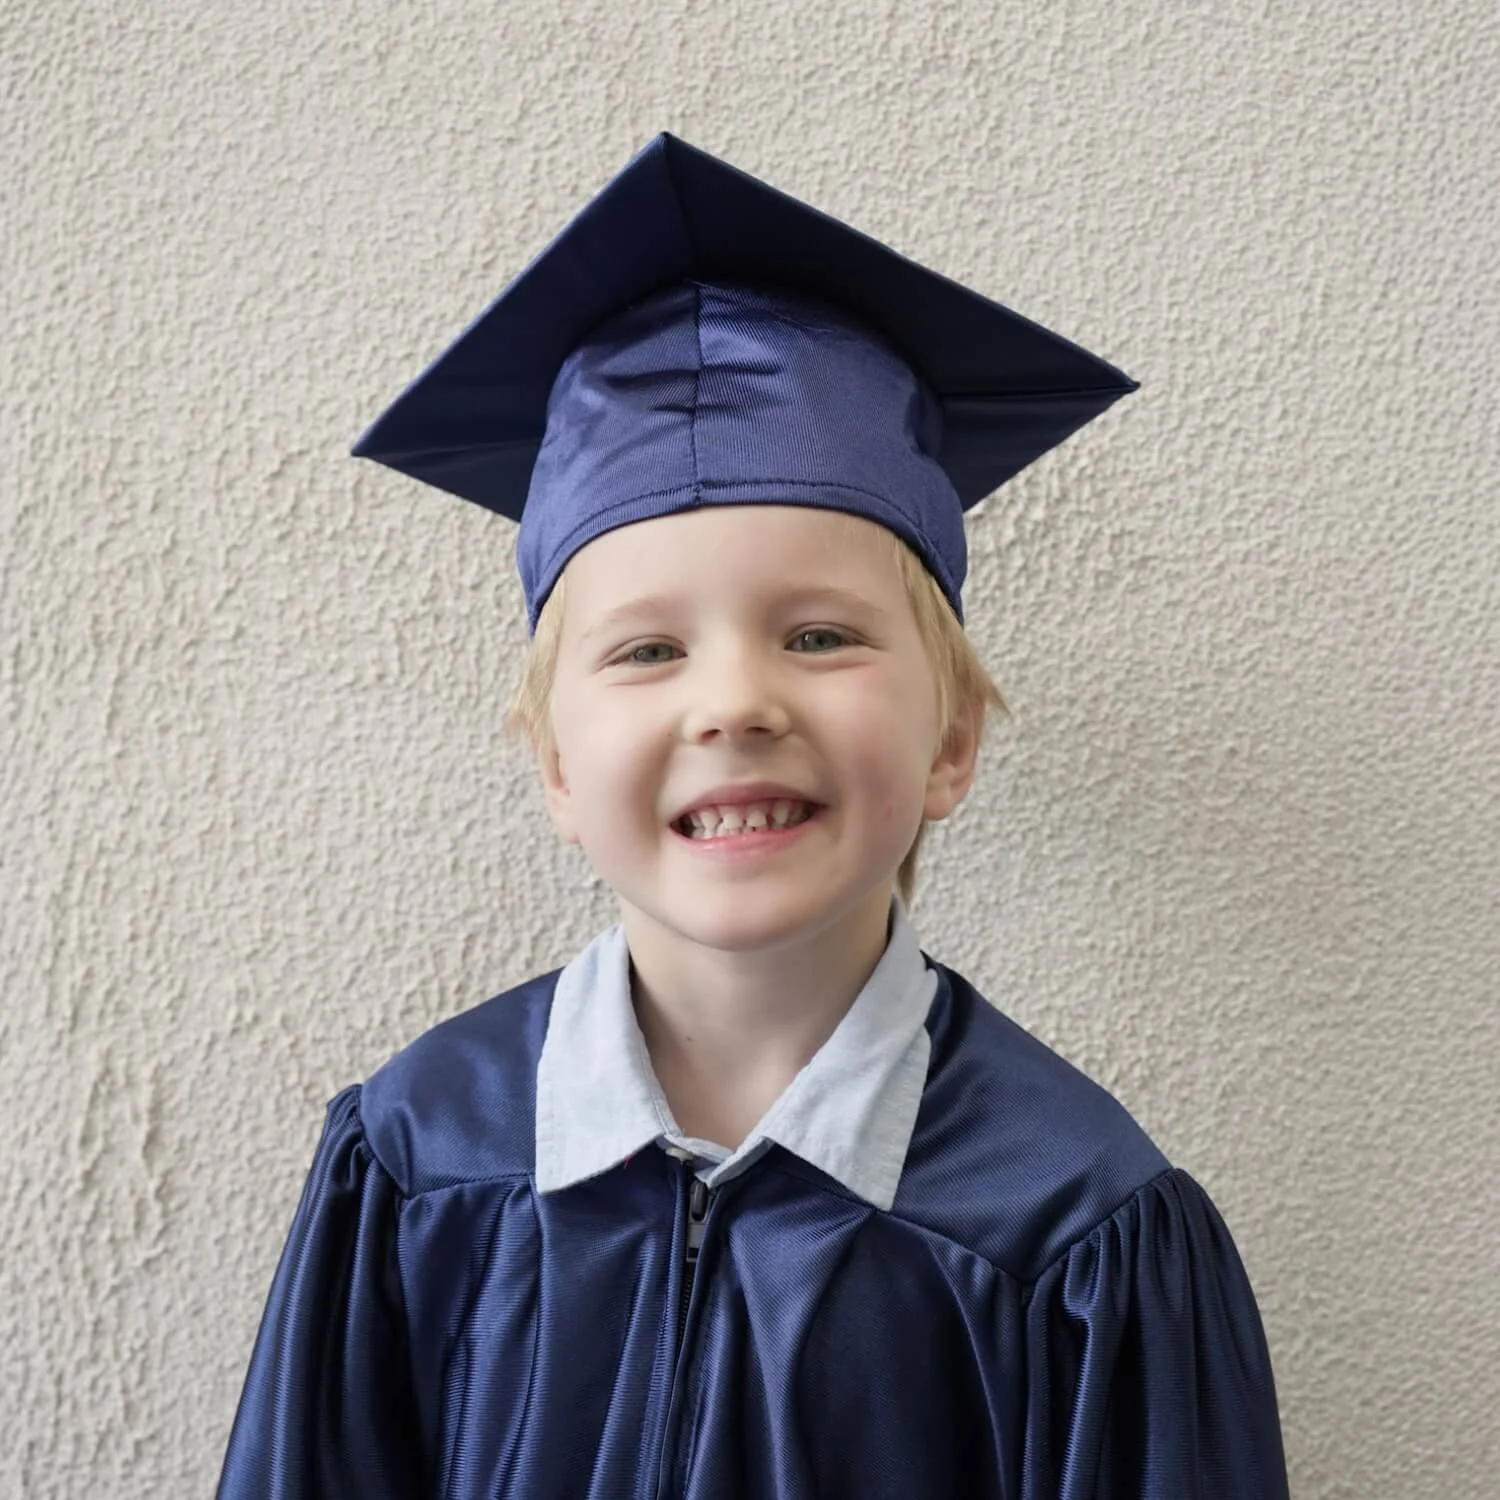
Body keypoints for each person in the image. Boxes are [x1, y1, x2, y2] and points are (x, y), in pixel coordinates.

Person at [217, 134, 1288, 1499]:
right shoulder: (421, 1162)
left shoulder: (1076, 1230)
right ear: (554, 769)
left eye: (822, 635)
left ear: (952, 741)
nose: (733, 702)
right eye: (649, 652)